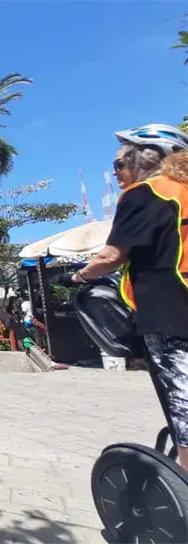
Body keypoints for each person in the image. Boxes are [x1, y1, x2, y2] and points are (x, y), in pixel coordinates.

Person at [71, 124, 188, 469]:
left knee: (183, 404)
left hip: (169, 311)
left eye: (120, 164)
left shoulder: (147, 193)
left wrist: (79, 275)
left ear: (145, 159)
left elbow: (111, 256)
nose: (115, 171)